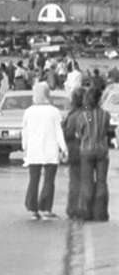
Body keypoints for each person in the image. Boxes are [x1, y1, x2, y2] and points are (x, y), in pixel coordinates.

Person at [21, 83, 68, 220]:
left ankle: (33, 209)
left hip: (33, 149)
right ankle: (46, 208)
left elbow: (25, 132)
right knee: (49, 180)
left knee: (33, 179)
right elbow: (59, 132)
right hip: (50, 149)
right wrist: (64, 149)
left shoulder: (28, 112)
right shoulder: (54, 112)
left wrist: (25, 148)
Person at [73, 86, 111, 222]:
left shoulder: (83, 115)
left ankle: (86, 211)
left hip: (87, 150)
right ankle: (101, 213)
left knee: (87, 181)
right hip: (102, 150)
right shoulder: (106, 114)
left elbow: (79, 133)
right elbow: (106, 130)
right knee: (101, 182)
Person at [62, 88, 86, 220]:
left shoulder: (73, 116)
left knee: (75, 181)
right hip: (87, 151)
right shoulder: (88, 114)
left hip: (75, 152)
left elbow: (68, 133)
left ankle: (73, 208)